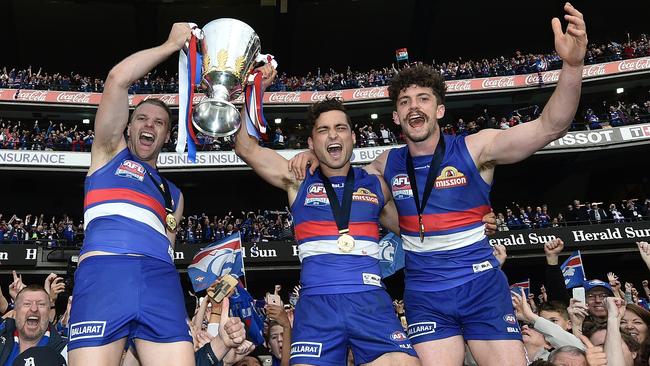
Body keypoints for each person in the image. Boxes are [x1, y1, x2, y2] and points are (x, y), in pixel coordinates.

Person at [289, 4, 587, 365]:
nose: (415, 108)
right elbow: (344, 182)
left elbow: (549, 127)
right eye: (405, 102)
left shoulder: (476, 149)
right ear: (396, 116)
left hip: (480, 286)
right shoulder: (386, 164)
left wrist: (572, 67)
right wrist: (312, 160)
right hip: (425, 293)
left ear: (440, 109)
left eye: (423, 99)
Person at [234, 85, 420, 364]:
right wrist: (254, 87)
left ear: (353, 137)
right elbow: (245, 147)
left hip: (369, 301)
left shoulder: (377, 185)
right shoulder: (298, 178)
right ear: (311, 143)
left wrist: (476, 221)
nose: (333, 135)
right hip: (317, 306)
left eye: (341, 128)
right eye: (323, 130)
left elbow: (417, 230)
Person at [67, 23, 196, 366]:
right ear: (128, 125)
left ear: (167, 135)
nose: (149, 125)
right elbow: (117, 80)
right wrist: (171, 45)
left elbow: (168, 247)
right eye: (142, 118)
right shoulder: (109, 152)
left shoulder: (175, 195)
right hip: (105, 272)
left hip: (160, 280)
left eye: (158, 122)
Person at [0, 285, 67, 365]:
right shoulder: (2, 333)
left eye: (41, 304)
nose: (34, 309)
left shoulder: (65, 352)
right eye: (27, 304)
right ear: (15, 311)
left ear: (49, 311)